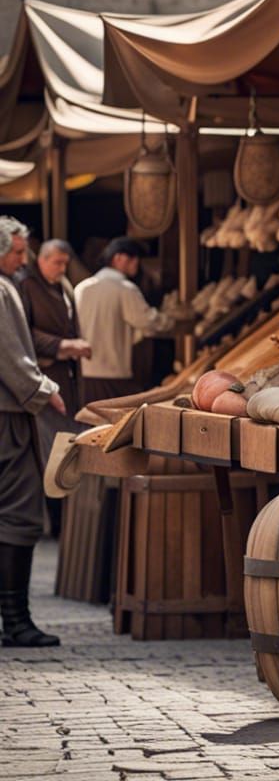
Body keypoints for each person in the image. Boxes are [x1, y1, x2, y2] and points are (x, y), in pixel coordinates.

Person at [0, 216, 63, 647]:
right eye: (18, 252)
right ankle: (16, 621)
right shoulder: (2, 290)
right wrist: (45, 391)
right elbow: (11, 356)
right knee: (19, 516)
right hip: (8, 416)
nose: (23, 261)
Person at [18, 239, 92, 539]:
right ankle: (57, 522)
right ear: (43, 260)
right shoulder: (26, 285)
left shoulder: (61, 286)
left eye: (65, 263)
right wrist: (62, 346)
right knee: (51, 451)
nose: (62, 268)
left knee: (64, 448)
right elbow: (22, 333)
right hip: (42, 379)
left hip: (66, 378)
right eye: (57, 263)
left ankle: (66, 519)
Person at [74, 238, 174, 403]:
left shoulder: (81, 287)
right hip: (113, 371)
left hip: (85, 371)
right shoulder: (124, 288)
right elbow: (147, 321)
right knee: (115, 424)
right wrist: (170, 320)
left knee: (91, 425)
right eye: (132, 258)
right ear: (118, 258)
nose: (136, 263)